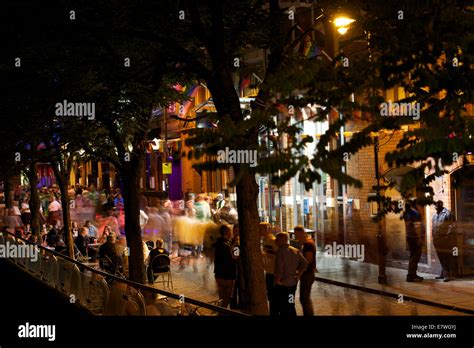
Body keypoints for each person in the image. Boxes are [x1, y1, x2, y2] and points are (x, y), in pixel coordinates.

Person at [273, 232, 308, 316]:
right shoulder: (296, 250)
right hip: (293, 283)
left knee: (282, 305)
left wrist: (277, 280)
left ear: (282, 240)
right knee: (290, 303)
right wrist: (298, 276)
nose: (276, 242)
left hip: (282, 284)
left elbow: (280, 267)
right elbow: (305, 264)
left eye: (277, 240)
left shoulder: (280, 251)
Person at [213, 224, 237, 309]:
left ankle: (220, 311)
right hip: (228, 273)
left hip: (219, 273)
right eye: (230, 231)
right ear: (226, 232)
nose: (231, 233)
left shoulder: (218, 243)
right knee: (227, 295)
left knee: (221, 295)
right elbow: (234, 258)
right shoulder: (228, 245)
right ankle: (223, 312)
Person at [294, 225, 317, 316]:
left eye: (297, 235)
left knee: (304, 299)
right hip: (308, 274)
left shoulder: (308, 244)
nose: (296, 238)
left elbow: (308, 260)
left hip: (307, 275)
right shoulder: (308, 243)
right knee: (305, 299)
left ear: (302, 233)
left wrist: (299, 271)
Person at [432, 200, 456, 282]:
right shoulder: (434, 215)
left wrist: (447, 235)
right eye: (434, 205)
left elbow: (452, 225)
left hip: (444, 239)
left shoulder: (447, 213)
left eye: (437, 205)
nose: (435, 207)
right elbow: (433, 227)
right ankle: (443, 273)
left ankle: (447, 275)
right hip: (436, 239)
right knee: (441, 257)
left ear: (441, 205)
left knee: (445, 257)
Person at [403, 200, 425, 282]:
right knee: (415, 257)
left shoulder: (407, 213)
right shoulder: (414, 213)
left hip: (410, 237)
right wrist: (419, 238)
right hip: (415, 238)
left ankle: (413, 274)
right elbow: (417, 226)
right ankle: (410, 275)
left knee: (413, 256)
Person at [260, 222, 278, 315]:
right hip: (269, 271)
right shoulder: (264, 240)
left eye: (262, 228)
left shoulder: (272, 240)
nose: (260, 231)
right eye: (260, 228)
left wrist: (266, 254)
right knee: (271, 295)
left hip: (273, 272)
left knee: (273, 296)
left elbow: (278, 254)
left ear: (268, 229)